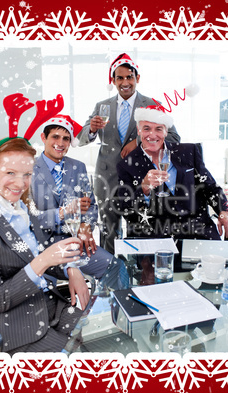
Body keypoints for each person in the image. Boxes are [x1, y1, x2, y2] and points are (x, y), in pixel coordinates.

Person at [77, 53, 181, 254]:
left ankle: (139, 273)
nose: (125, 82)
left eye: (129, 77)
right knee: (109, 231)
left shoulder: (152, 104)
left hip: (139, 180)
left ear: (137, 78)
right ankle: (112, 271)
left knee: (139, 229)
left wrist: (139, 140)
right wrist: (91, 129)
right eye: (120, 78)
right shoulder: (102, 106)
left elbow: (174, 138)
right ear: (113, 81)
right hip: (107, 178)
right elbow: (81, 138)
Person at [0, 137, 86, 354]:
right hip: (14, 324)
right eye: (10, 172)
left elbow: (39, 250)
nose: (20, 183)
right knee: (78, 366)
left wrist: (71, 268)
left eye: (26, 174)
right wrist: (44, 261)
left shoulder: (22, 206)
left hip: (48, 304)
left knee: (97, 340)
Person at [31, 114, 118, 304]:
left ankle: (105, 314)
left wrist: (86, 226)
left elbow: (91, 205)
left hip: (76, 244)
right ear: (43, 138)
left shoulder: (77, 167)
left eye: (66, 138)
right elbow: (31, 219)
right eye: (55, 136)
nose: (60, 143)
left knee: (115, 267)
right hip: (40, 247)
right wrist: (62, 213)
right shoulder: (29, 169)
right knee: (42, 296)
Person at [117, 105, 228, 241]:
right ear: (138, 131)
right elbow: (126, 210)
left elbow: (211, 188)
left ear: (166, 131)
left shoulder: (188, 151)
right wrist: (143, 189)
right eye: (146, 129)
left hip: (198, 231)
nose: (152, 135)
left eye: (158, 129)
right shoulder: (126, 165)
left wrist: (224, 212)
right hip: (156, 235)